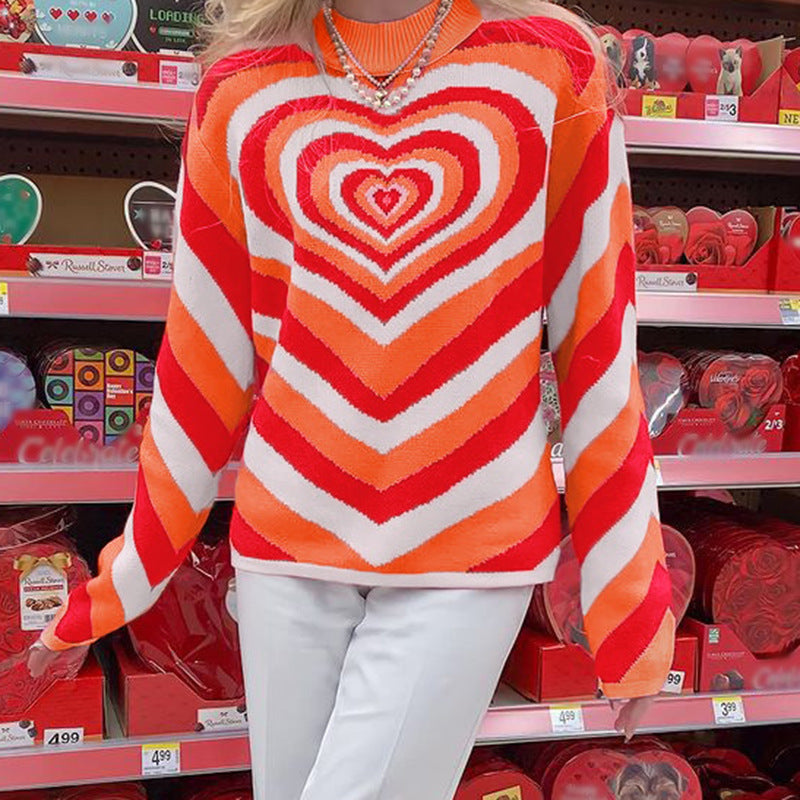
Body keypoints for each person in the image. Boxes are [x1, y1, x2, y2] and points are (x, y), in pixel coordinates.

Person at [30, 0, 675, 796]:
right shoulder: (241, 86)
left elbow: (600, 339)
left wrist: (631, 594)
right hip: (285, 553)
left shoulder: (552, 66)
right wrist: (125, 579)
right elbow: (201, 360)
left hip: (471, 551)